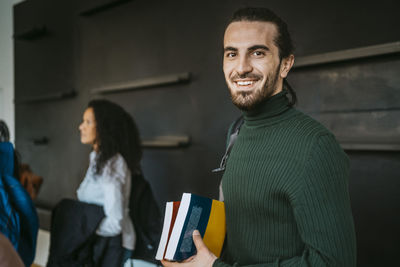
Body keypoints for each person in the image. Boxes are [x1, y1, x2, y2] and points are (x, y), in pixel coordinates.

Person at [162, 7, 356, 267]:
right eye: (232, 54)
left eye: (257, 53)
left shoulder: (315, 146)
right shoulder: (237, 130)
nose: (241, 68)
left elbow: (334, 263)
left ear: (285, 64)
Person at [76, 99, 142, 266]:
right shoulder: (97, 158)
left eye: (88, 122)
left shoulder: (112, 163)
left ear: (103, 127)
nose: (81, 127)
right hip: (102, 243)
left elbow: (115, 222)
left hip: (112, 246)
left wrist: (84, 226)